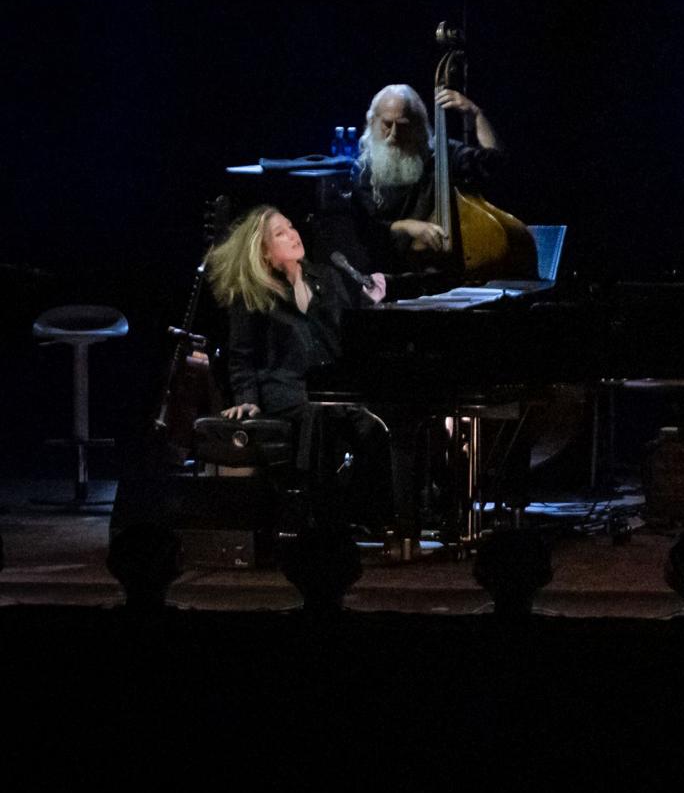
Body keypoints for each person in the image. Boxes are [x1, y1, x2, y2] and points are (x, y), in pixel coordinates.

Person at [206, 205, 396, 534]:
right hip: (285, 388)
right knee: (319, 414)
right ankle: (318, 514)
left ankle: (370, 513)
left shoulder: (325, 279)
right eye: (280, 233)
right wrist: (247, 397)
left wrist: (368, 304)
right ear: (263, 252)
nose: (293, 235)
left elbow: (346, 336)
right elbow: (241, 355)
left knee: (376, 425)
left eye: (291, 226)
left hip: (331, 385)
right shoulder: (251, 294)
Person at [351, 83, 506, 277]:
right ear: (373, 121)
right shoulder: (363, 170)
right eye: (387, 124)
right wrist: (406, 226)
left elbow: (494, 164)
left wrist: (476, 114)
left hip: (446, 274)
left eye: (403, 126)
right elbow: (367, 229)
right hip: (390, 276)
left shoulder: (441, 155)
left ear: (418, 126)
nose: (394, 135)